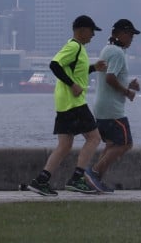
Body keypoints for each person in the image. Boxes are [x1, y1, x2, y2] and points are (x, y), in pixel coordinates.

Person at [27, 14, 108, 196]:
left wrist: (94, 68)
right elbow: (54, 65)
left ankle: (41, 181)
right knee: (94, 138)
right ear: (81, 30)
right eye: (91, 31)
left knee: (64, 146)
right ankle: (77, 179)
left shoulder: (79, 49)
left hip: (64, 104)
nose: (93, 35)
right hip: (74, 103)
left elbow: (74, 71)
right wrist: (73, 85)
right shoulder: (74, 46)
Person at [85, 18, 141, 193]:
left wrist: (128, 83)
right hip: (112, 109)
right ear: (121, 34)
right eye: (130, 35)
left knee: (111, 145)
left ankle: (95, 181)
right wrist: (127, 92)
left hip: (102, 107)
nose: (132, 39)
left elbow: (112, 76)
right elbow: (110, 78)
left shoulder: (107, 49)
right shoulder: (117, 53)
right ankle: (92, 172)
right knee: (125, 143)